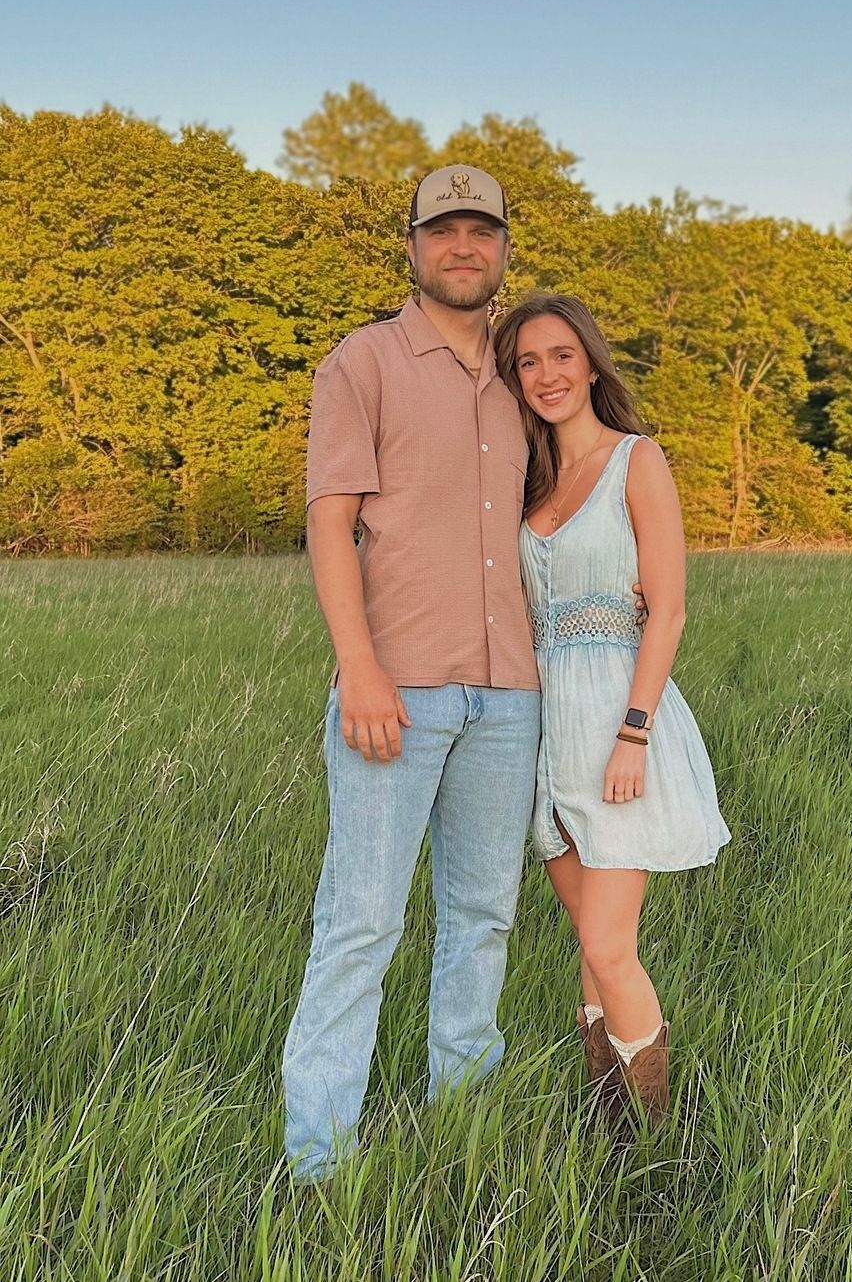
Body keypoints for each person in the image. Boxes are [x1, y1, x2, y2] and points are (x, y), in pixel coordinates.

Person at [281, 165, 544, 1180]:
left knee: (483, 917)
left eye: (481, 230)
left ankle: (464, 1125)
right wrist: (359, 667)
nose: (462, 247)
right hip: (396, 689)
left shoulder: (525, 375)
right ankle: (319, 1163)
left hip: (509, 695)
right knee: (361, 923)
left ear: (505, 248)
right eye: (443, 230)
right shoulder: (365, 362)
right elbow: (330, 521)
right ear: (413, 246)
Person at [494, 292, 731, 1122]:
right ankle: (607, 1116)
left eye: (562, 355)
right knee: (584, 935)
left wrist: (634, 732)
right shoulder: (526, 480)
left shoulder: (637, 460)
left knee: (608, 942)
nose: (546, 374)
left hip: (616, 721)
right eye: (527, 362)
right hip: (544, 727)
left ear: (591, 364)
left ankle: (656, 1134)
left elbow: (667, 609)